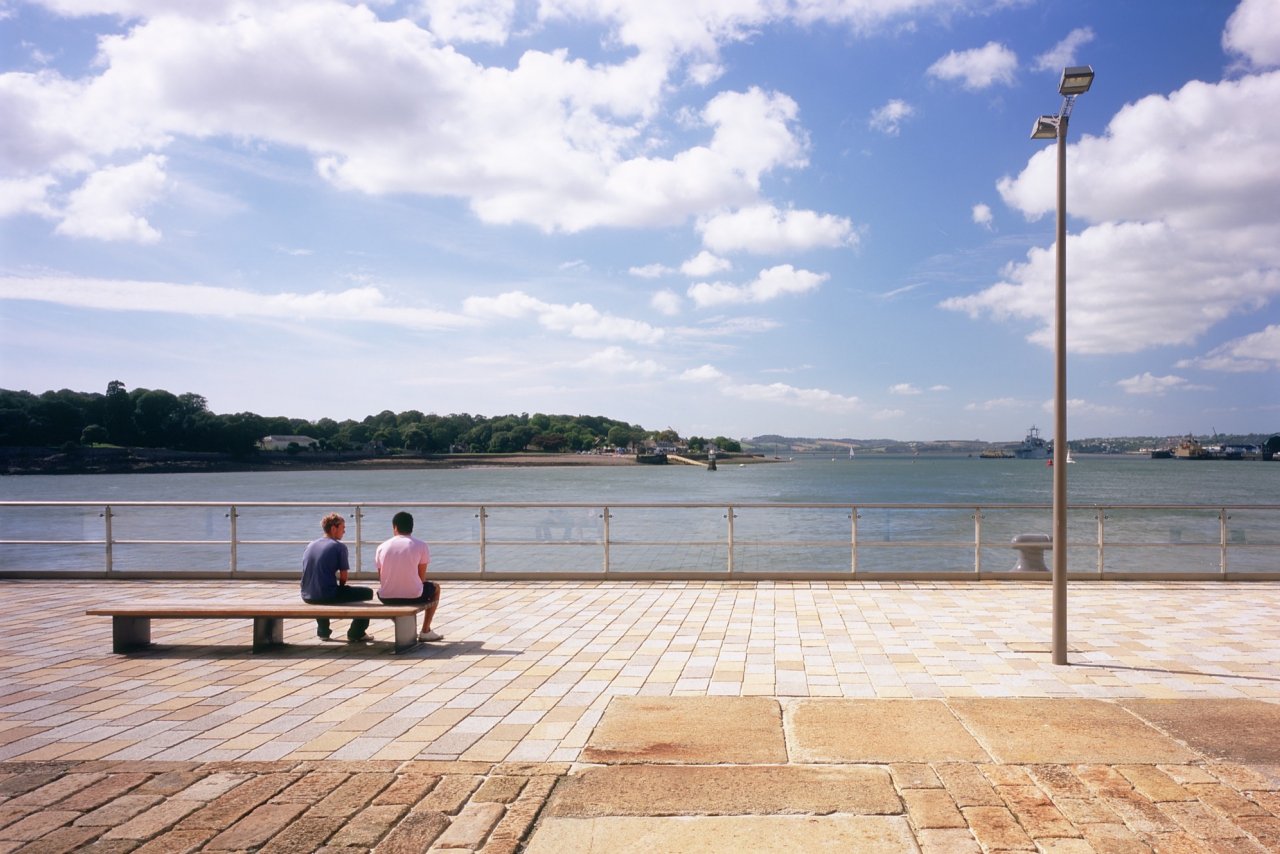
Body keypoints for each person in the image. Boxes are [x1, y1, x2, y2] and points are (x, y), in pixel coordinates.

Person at [300, 512, 375, 642]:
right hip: (327, 595)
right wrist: (342, 588)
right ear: (333, 528)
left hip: (307, 594)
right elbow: (344, 576)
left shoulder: (311, 544)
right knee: (367, 593)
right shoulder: (339, 547)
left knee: (321, 589)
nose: (344, 532)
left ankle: (323, 631)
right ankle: (356, 632)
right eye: (343, 528)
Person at [375, 510, 442, 642]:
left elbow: (381, 578)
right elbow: (421, 578)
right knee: (436, 588)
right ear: (412, 527)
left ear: (395, 527)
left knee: (387, 590)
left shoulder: (382, 547)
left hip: (386, 597)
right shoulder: (421, 545)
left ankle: (405, 627)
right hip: (413, 597)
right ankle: (425, 630)